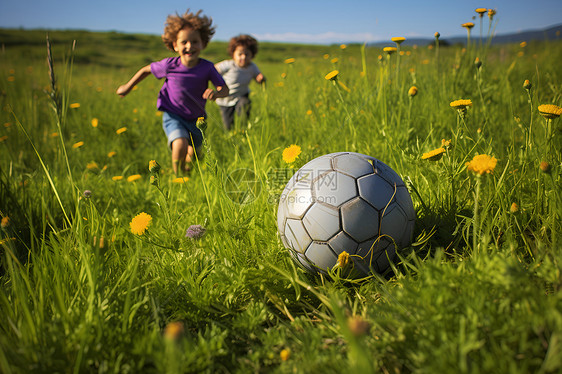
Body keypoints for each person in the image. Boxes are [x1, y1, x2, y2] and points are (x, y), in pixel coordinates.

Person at [116, 9, 228, 175]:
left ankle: (187, 167)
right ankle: (178, 176)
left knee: (196, 153)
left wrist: (216, 93)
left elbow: (224, 89)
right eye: (184, 42)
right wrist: (128, 86)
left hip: (197, 118)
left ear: (203, 43)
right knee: (180, 143)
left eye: (195, 41)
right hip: (173, 114)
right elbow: (146, 70)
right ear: (175, 45)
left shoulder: (207, 67)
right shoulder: (169, 65)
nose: (189, 46)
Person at [215, 34, 265, 131]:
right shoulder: (228, 65)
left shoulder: (252, 67)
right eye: (240, 54)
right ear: (233, 54)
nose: (244, 57)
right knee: (228, 125)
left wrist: (260, 78)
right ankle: (231, 136)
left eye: (247, 54)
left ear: (252, 55)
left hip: (242, 95)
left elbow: (258, 76)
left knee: (245, 104)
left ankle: (243, 128)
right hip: (225, 98)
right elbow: (213, 70)